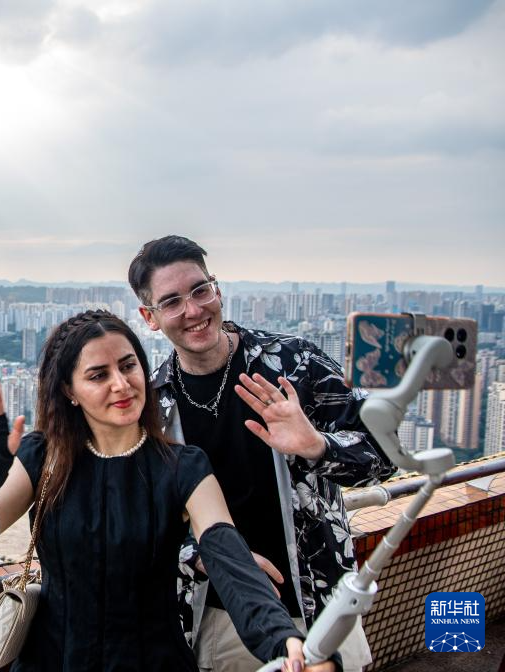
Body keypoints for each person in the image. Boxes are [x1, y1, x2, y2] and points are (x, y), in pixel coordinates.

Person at [0, 310, 336, 672]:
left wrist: (284, 640)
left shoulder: (182, 466)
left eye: (128, 365)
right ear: (69, 390)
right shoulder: (43, 457)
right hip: (51, 660)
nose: (121, 384)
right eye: (98, 375)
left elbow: (228, 559)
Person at [128, 236, 396, 672]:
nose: (193, 310)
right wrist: (205, 556)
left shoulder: (293, 364)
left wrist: (318, 446)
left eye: (200, 290)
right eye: (172, 301)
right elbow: (141, 519)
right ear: (150, 318)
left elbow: (385, 453)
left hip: (318, 602)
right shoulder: (155, 405)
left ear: (217, 290)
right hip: (222, 616)